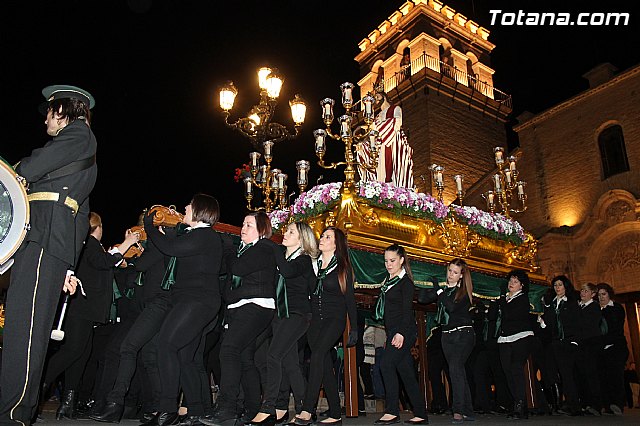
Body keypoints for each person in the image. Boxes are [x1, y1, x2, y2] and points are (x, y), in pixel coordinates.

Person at [0, 85, 97, 425]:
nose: (45, 121)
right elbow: (82, 217)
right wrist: (69, 265)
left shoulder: (78, 135)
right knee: (23, 327)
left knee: (25, 330)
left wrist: (13, 172)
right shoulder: (79, 144)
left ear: (64, 111)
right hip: (45, 239)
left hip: (44, 240)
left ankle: (13, 412)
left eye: (49, 113)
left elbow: (32, 166)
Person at [41, 212, 139, 419]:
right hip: (80, 310)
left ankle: (68, 403)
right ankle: (37, 387)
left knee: (81, 355)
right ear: (97, 227)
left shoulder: (87, 247)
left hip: (86, 311)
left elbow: (104, 263)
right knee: (72, 352)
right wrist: (127, 242)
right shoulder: (88, 245)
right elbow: (104, 262)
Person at [202, 211, 277, 426]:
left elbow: (238, 268)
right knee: (244, 358)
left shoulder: (264, 247)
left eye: (249, 225)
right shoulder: (245, 250)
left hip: (256, 305)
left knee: (229, 350)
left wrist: (228, 250)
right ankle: (252, 409)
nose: (243, 228)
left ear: (262, 230)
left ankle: (227, 407)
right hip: (241, 307)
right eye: (243, 223)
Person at [249, 222, 318, 425]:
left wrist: (272, 247)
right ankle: (305, 408)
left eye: (291, 232)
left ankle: (268, 408)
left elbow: (288, 272)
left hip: (297, 315)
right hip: (281, 314)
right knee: (290, 363)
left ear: (302, 239)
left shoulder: (303, 260)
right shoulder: (282, 257)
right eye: (285, 230)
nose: (285, 234)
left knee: (273, 355)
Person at [294, 227, 357, 426]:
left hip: (334, 319)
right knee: (325, 366)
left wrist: (354, 328)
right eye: (322, 235)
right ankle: (336, 413)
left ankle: (307, 409)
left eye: (327, 237)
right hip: (315, 321)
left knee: (318, 356)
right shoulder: (314, 265)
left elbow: (350, 300)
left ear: (336, 244)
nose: (322, 238)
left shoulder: (342, 268)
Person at [372, 244, 428, 425]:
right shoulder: (389, 282)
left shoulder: (405, 283)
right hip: (393, 332)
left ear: (402, 260)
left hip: (404, 332)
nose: (388, 264)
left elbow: (406, 312)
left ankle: (392, 411)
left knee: (386, 365)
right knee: (406, 373)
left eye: (392, 260)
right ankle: (421, 414)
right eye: (386, 261)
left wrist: (400, 333)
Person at [419, 258, 474, 424]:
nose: (451, 275)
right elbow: (422, 299)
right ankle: (468, 410)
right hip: (447, 336)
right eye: (450, 271)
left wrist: (438, 291)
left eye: (455, 272)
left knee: (455, 369)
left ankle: (457, 409)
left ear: (461, 276)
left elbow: (451, 307)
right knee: (458, 372)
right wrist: (431, 288)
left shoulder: (463, 292)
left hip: (463, 335)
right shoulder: (443, 291)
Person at [491, 269, 534, 420]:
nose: (511, 284)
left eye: (515, 282)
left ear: (522, 285)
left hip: (522, 336)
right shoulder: (504, 299)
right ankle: (517, 402)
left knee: (516, 368)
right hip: (505, 338)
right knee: (507, 371)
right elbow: (494, 317)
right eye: (510, 281)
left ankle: (520, 404)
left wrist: (502, 298)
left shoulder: (522, 299)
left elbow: (509, 314)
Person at [356, 89, 414, 189]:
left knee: (396, 168)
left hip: (394, 141)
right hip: (380, 144)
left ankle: (398, 188)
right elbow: (372, 131)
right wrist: (362, 138)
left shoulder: (395, 108)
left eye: (378, 97)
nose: (376, 100)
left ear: (385, 97)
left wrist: (378, 126)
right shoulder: (377, 116)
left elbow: (397, 121)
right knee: (365, 150)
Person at [542, 275, 581, 416]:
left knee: (567, 374)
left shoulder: (571, 302)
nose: (557, 288)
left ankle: (574, 405)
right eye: (555, 285)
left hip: (568, 342)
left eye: (560, 285)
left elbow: (576, 322)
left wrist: (574, 340)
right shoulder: (552, 303)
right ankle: (558, 403)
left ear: (566, 286)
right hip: (554, 342)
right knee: (552, 373)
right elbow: (550, 322)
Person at [597, 283, 628, 415]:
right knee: (603, 377)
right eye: (598, 295)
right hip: (601, 349)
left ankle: (618, 404)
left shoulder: (616, 308)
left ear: (609, 294)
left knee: (616, 376)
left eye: (603, 294)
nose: (601, 297)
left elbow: (616, 329)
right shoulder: (595, 309)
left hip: (616, 347)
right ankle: (607, 405)